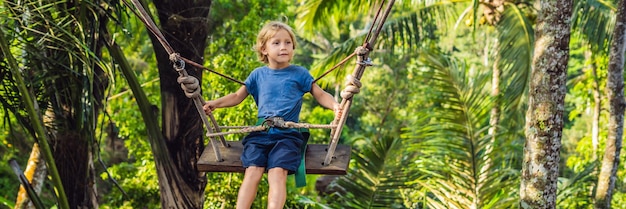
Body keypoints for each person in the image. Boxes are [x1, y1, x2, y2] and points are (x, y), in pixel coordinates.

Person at [203, 21, 341, 209]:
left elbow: (320, 94)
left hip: (288, 135)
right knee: (253, 171)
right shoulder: (257, 75)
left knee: (277, 173)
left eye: (288, 43)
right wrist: (215, 104)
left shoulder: (299, 73)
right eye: (276, 43)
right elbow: (236, 96)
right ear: (264, 49)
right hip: (261, 133)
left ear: (293, 47)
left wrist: (335, 106)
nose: (283, 47)